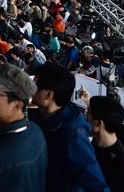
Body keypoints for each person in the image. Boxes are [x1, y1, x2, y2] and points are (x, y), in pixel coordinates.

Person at [32, 63, 109, 192]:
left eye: (34, 85)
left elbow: (95, 183)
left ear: (48, 95)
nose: (30, 89)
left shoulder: (73, 132)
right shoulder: (40, 117)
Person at [80, 94, 124, 192]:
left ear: (99, 123)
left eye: (88, 113)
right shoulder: (97, 141)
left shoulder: (122, 167)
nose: (85, 116)